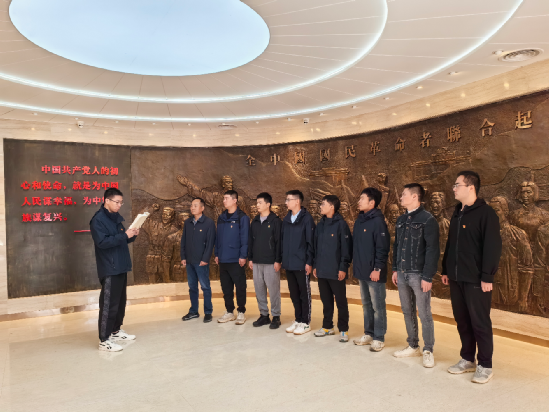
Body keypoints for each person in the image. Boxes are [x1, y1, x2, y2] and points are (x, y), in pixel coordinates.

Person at [442, 171, 502, 385]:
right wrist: (446, 269)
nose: (454, 188)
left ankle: (485, 364)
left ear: (470, 187)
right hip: (456, 278)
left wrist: (487, 276)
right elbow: (451, 244)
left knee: (480, 322)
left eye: (457, 184)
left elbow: (492, 247)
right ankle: (467, 358)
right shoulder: (457, 213)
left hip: (477, 279)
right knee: (462, 321)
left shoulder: (486, 214)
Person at [391, 183, 439, 368]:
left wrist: (427, 276)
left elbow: (432, 249)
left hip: (418, 274)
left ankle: (428, 349)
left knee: (424, 312)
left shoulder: (428, 219)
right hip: (402, 272)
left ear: (414, 197)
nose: (401, 197)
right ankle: (413, 345)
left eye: (404, 194)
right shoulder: (401, 220)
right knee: (407, 310)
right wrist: (395, 269)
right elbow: (397, 246)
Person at [90, 188, 139, 353]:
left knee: (120, 302)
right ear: (107, 201)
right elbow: (102, 242)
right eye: (117, 202)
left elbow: (121, 239)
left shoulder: (115, 218)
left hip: (121, 265)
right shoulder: (98, 220)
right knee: (109, 305)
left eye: (121, 203)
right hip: (110, 267)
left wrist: (132, 234)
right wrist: (125, 236)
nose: (119, 205)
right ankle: (104, 340)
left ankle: (115, 331)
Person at [352, 188, 390, 352]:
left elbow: (382, 248)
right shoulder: (359, 221)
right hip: (362, 270)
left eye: (362, 198)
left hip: (374, 272)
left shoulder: (378, 222)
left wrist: (377, 268)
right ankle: (369, 333)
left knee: (377, 306)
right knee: (366, 305)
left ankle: (379, 337)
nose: (359, 201)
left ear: (372, 202)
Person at [313, 195, 353, 343]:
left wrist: (343, 267)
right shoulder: (320, 225)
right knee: (326, 300)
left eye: (323, 204)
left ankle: (343, 329)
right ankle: (327, 326)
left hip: (336, 271)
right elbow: (316, 247)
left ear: (332, 207)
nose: (321, 206)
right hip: (322, 269)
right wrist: (316, 265)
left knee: (340, 301)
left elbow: (346, 248)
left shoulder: (341, 225)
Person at [282, 190, 316, 336]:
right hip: (289, 263)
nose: (286, 202)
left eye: (288, 200)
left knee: (304, 294)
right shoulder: (286, 219)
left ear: (297, 201)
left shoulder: (307, 219)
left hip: (301, 263)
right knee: (294, 294)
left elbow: (310, 242)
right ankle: (298, 319)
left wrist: (309, 261)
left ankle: (305, 322)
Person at [248, 193, 283, 330]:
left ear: (268, 204)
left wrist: (278, 260)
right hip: (257, 261)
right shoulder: (255, 221)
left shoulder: (275, 221)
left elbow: (279, 242)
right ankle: (264, 315)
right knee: (259, 290)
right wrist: (250, 258)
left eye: (260, 202)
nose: (257, 205)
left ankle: (276, 316)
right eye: (257, 202)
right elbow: (251, 241)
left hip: (271, 262)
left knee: (273, 290)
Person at [215, 190, 250, 325]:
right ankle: (229, 311)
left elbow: (245, 238)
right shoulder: (221, 217)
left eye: (226, 198)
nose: (224, 201)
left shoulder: (242, 217)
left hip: (236, 259)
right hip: (223, 259)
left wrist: (243, 255)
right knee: (226, 288)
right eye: (223, 198)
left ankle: (241, 312)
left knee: (240, 286)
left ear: (235, 200)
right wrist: (217, 254)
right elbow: (218, 238)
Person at [180, 198, 216, 323]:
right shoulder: (188, 222)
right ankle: (194, 311)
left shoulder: (208, 222)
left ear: (202, 208)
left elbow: (210, 243)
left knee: (205, 287)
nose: (192, 208)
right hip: (189, 261)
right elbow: (183, 241)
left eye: (195, 205)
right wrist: (183, 257)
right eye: (191, 205)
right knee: (192, 287)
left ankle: (208, 312)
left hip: (201, 261)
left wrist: (205, 259)